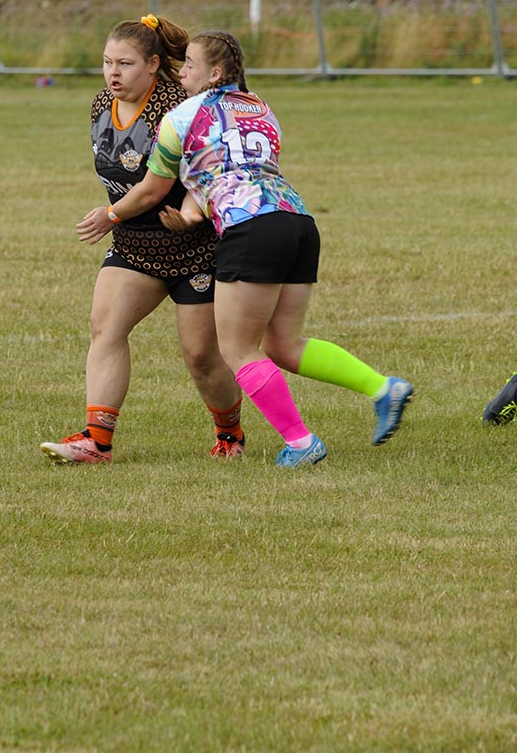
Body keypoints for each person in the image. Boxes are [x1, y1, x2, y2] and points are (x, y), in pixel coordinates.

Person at [76, 29, 414, 468]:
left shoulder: (180, 116)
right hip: (297, 222)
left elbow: (154, 187)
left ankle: (300, 442)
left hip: (249, 228)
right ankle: (383, 388)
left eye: (191, 65)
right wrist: (192, 215)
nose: (183, 72)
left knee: (237, 350)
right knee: (284, 345)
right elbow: (232, 172)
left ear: (215, 73)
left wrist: (112, 214)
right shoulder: (260, 107)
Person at [40, 15, 244, 466]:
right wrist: (119, 218)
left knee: (201, 356)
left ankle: (230, 433)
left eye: (125, 64)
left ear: (153, 64)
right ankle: (97, 441)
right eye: (107, 62)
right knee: (106, 328)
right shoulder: (101, 104)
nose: (113, 73)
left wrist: (112, 214)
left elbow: (160, 186)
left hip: (195, 247)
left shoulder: (177, 107)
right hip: (135, 244)